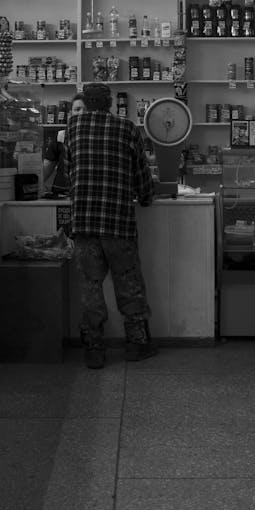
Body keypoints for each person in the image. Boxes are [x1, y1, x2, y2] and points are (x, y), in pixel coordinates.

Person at [64, 82, 157, 369]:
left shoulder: (73, 129)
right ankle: (136, 344)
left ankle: (94, 348)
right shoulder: (128, 129)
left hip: (85, 223)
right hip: (119, 223)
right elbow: (141, 173)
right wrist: (145, 197)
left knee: (90, 286)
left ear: (88, 104)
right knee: (129, 284)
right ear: (110, 103)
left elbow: (69, 173)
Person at [42, 92, 85, 196]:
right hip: (62, 194)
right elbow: (46, 169)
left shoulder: (100, 137)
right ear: (70, 114)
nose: (82, 113)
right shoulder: (61, 136)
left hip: (83, 194)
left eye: (86, 109)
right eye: (77, 109)